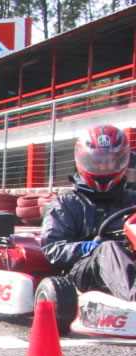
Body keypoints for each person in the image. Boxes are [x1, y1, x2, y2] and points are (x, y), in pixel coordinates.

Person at [41, 124, 136, 302]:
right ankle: (133, 298)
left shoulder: (132, 199)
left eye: (110, 162)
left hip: (130, 263)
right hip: (84, 270)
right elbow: (52, 249)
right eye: (97, 162)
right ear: (83, 161)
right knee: (108, 248)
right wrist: (88, 247)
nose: (103, 167)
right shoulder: (66, 203)